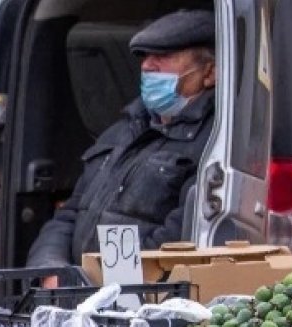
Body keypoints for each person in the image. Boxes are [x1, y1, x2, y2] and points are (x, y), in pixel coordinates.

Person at [26, 10, 217, 278]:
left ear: (209, 73)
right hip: (81, 298)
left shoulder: (213, 144)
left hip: (135, 303)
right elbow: (69, 214)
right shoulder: (121, 133)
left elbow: (178, 240)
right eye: (145, 57)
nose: (148, 66)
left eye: (163, 57)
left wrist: (105, 284)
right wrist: (50, 271)